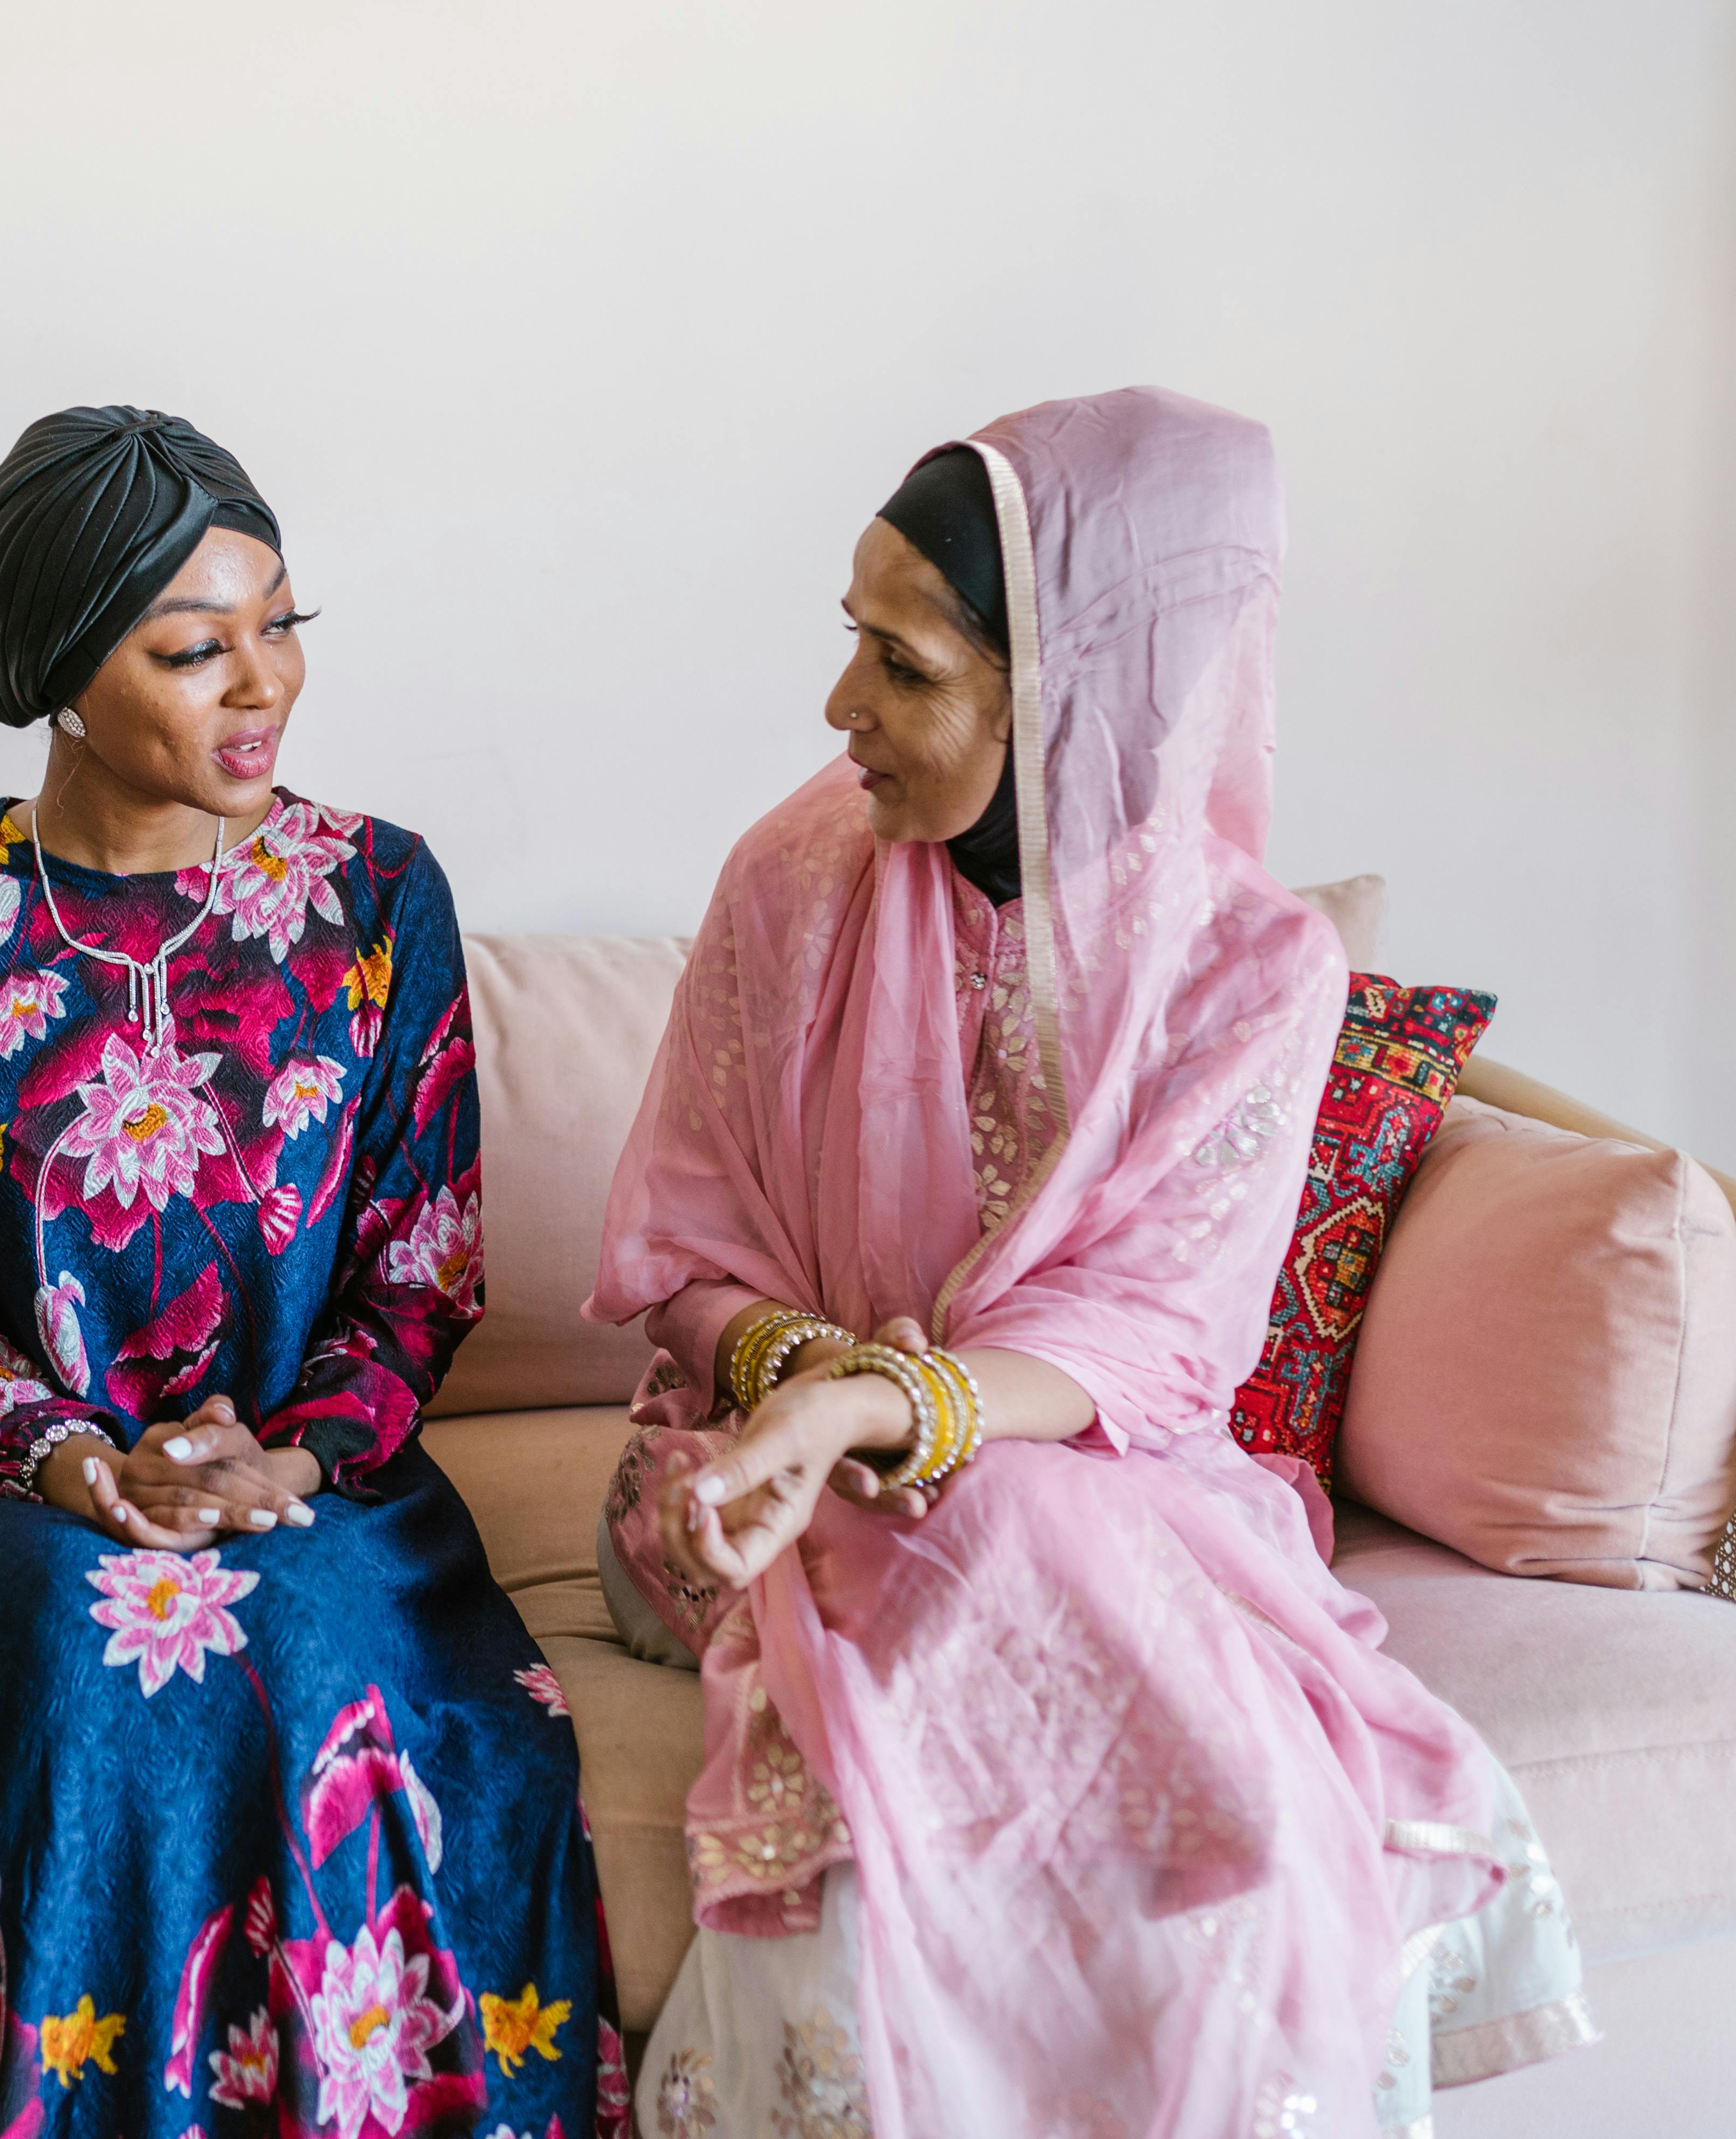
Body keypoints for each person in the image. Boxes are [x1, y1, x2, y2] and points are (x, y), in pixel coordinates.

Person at [588, 388, 1589, 2139]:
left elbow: (1149, 1346)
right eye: (856, 644)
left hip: (1095, 1480)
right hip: (736, 1484)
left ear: (1067, 683)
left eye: (904, 668)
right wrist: (801, 1402)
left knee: (1021, 1516)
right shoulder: (790, 881)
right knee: (1012, 1536)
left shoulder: (1250, 971)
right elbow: (685, 1252)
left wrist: (883, 1412)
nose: (843, 710)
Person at [0, 406, 621, 2139]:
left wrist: (294, 1457)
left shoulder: (378, 895)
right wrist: (79, 1465)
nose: (263, 684)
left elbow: (420, 1270)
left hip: (322, 1482)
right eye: (196, 648)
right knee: (104, 1657)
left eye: (282, 628)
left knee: (306, 1643)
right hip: (16, 1497)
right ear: (59, 672)